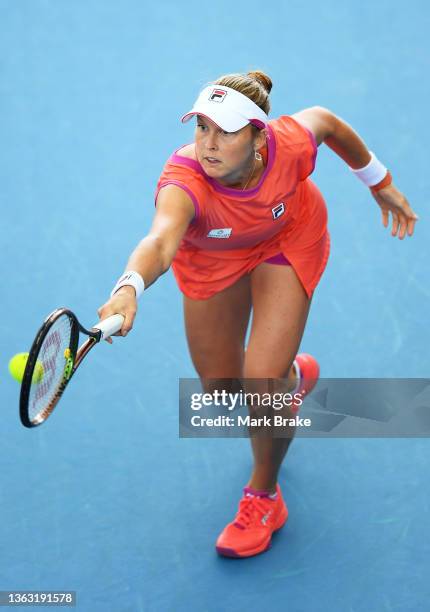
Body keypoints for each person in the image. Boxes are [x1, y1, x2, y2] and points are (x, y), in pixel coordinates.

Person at [97, 71, 418, 558]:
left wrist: (379, 181)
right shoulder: (184, 181)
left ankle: (264, 496)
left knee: (261, 384)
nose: (209, 143)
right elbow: (161, 240)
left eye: (225, 131)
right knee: (223, 388)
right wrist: (129, 285)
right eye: (202, 127)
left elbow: (327, 123)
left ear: (258, 135)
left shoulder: (288, 143)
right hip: (212, 259)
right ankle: (291, 375)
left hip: (288, 240)